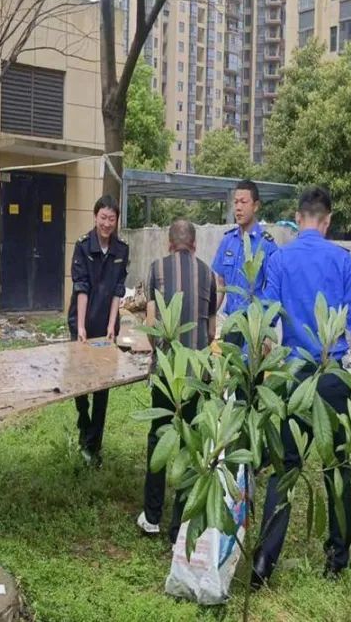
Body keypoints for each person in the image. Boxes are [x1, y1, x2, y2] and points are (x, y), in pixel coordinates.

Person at [252, 186, 351, 587]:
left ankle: (263, 562)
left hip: (292, 376)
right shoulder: (340, 259)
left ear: (298, 216)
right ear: (326, 221)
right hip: (330, 378)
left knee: (284, 469)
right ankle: (337, 558)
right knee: (336, 468)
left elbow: (264, 312)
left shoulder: (279, 257)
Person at [136, 219, 217, 541]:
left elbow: (153, 325)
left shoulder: (156, 269)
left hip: (167, 373)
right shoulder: (209, 274)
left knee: (159, 437)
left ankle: (152, 516)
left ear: (169, 244)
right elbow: (211, 332)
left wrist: (162, 352)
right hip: (197, 376)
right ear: (194, 245)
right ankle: (179, 525)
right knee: (189, 444)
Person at [67, 195, 129, 467]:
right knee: (80, 380)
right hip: (81, 321)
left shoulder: (121, 249)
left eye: (111, 219)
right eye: (102, 218)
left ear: (116, 221)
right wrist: (81, 327)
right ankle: (83, 419)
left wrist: (111, 325)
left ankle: (94, 444)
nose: (106, 223)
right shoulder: (82, 246)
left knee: (103, 385)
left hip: (107, 326)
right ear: (95, 218)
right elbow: (81, 287)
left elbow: (118, 290)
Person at [212, 180, 278, 348]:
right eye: (235, 202)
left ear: (255, 206)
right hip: (232, 326)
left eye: (243, 202)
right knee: (231, 372)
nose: (238, 208)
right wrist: (210, 316)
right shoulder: (227, 241)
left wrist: (267, 330)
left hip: (255, 328)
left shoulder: (266, 245)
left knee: (252, 373)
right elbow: (220, 285)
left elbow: (274, 289)